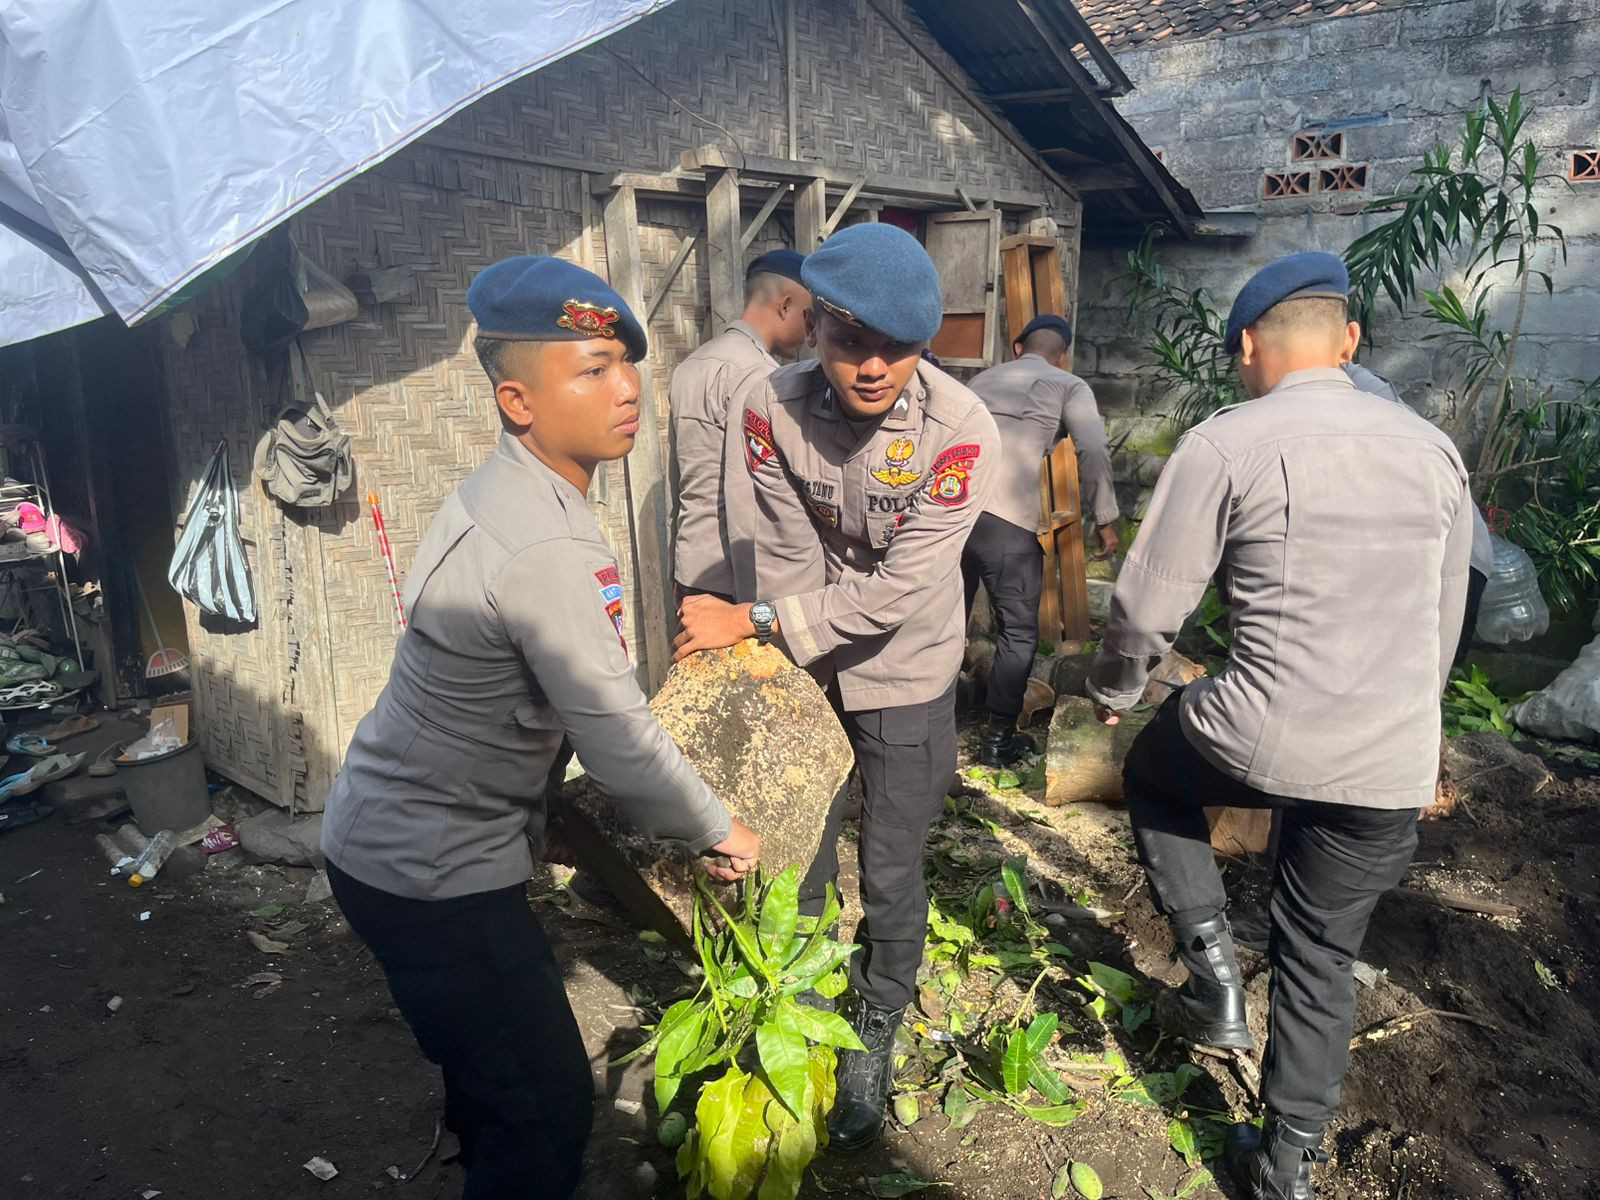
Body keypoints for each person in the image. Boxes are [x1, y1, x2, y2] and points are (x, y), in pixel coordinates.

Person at [320, 256, 760, 1200]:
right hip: (433, 874)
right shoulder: (549, 545)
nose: (626, 388)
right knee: (548, 1107)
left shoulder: (500, 491)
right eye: (593, 369)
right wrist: (717, 828)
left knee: (491, 1081)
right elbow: (617, 734)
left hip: (385, 841)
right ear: (518, 401)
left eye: (624, 364)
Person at [1085, 253, 1472, 1200]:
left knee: (1152, 772)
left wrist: (1117, 688)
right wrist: (1411, 727)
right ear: (1348, 341)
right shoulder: (1434, 450)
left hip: (1258, 733)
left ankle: (1212, 976)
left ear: (1249, 345)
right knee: (1321, 951)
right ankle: (1286, 1162)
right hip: (1389, 758)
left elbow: (1146, 607)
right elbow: (1446, 613)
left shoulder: (1227, 443)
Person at [673, 222, 999, 1152]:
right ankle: (804, 1008)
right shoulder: (766, 407)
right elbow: (781, 549)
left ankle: (879, 1013)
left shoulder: (960, 432)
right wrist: (783, 652)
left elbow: (901, 590)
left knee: (891, 867)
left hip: (908, 669)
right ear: (814, 327)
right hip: (803, 671)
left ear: (925, 346)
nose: (873, 368)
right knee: (800, 859)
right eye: (852, 342)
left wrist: (756, 621)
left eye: (899, 348)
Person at [961, 313, 1120, 766]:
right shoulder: (1068, 384)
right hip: (1006, 519)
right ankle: (997, 743)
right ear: (1063, 356)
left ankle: (932, 723)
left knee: (945, 620)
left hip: (950, 512)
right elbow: (1093, 447)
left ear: (1017, 349)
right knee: (1018, 631)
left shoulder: (979, 381)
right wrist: (1105, 518)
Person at [669, 249, 811, 602]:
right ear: (785, 306)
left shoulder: (691, 364)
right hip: (734, 579)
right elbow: (746, 494)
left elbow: (678, 480)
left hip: (692, 564)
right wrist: (751, 606)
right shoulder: (759, 375)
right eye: (808, 317)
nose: (811, 332)